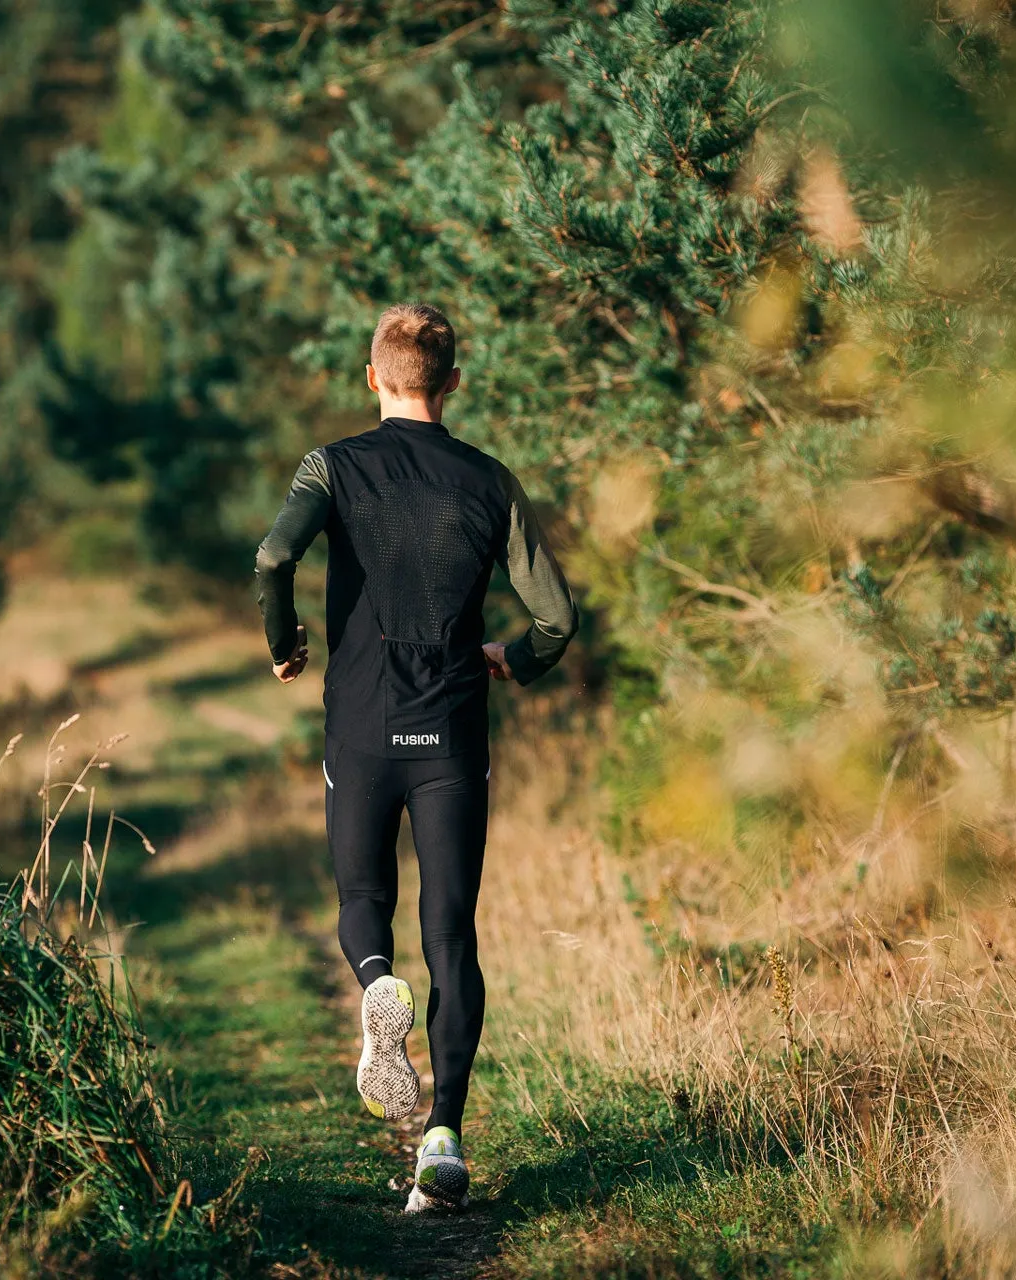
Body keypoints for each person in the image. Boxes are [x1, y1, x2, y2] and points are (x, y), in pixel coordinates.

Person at [254, 303, 577, 1213]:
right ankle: (444, 1140)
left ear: (372, 379)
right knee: (453, 932)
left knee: (364, 903)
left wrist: (284, 644)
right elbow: (558, 617)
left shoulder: (334, 467)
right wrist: (519, 658)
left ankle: (374, 983)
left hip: (359, 729)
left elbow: (274, 555)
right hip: (451, 733)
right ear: (454, 385)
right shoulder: (488, 480)